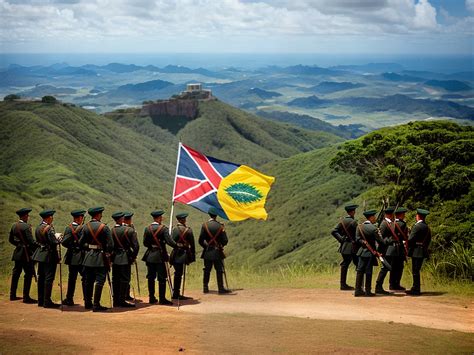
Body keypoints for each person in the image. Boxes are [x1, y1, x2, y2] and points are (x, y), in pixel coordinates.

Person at [79, 206, 114, 312]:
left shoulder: (85, 227)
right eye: (101, 214)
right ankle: (96, 304)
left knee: (88, 281)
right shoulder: (104, 227)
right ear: (98, 215)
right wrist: (107, 252)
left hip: (88, 257)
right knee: (99, 280)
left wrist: (89, 247)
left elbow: (81, 243)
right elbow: (111, 244)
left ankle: (87, 303)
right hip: (100, 257)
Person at [142, 210, 177, 305]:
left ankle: (151, 298)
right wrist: (177, 246)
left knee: (151, 277)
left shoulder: (147, 228)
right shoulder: (163, 229)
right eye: (161, 217)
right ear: (159, 218)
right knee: (162, 278)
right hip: (160, 256)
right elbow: (170, 242)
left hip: (149, 256)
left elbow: (145, 243)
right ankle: (162, 299)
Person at [32, 209, 61, 308]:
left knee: (41, 277)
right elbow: (53, 242)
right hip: (49, 256)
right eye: (51, 217)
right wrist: (58, 238)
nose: (52, 218)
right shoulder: (49, 228)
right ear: (49, 217)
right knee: (49, 278)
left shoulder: (38, 227)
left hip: (40, 255)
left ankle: (41, 300)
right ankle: (47, 301)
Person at [199, 207, 231, 294]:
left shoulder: (204, 225)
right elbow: (225, 240)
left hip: (208, 252)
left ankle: (205, 288)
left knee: (207, 270)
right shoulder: (220, 226)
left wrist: (206, 247)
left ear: (209, 214)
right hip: (217, 252)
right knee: (219, 270)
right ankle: (221, 288)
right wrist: (220, 246)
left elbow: (200, 241)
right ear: (216, 215)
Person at [8, 207, 37, 303]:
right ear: (24, 216)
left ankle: (12, 295)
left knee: (16, 274)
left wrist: (19, 245)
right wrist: (38, 246)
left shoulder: (14, 226)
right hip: (26, 254)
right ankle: (26, 297)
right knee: (28, 274)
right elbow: (31, 241)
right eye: (27, 215)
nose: (28, 217)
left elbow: (11, 240)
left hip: (17, 253)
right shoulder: (26, 226)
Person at [354, 209, 385, 297]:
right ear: (371, 217)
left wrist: (363, 243)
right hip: (370, 253)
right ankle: (368, 291)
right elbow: (381, 242)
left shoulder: (359, 227)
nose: (375, 218)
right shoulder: (373, 228)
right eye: (374, 216)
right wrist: (378, 251)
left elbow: (357, 239)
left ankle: (357, 290)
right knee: (368, 271)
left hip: (361, 252)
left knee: (359, 271)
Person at [61, 209, 86, 306]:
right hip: (82, 256)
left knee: (72, 279)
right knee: (85, 278)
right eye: (82, 217)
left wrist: (72, 246)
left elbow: (64, 242)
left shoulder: (69, 228)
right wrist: (77, 245)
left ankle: (69, 299)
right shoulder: (82, 228)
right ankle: (87, 299)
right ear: (79, 218)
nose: (82, 219)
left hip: (72, 257)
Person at [331, 204, 359, 290]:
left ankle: (343, 284)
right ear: (353, 212)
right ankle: (359, 285)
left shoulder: (342, 221)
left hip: (344, 247)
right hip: (353, 247)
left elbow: (334, 231)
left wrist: (341, 239)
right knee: (358, 265)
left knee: (345, 264)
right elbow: (357, 235)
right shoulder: (353, 222)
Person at [170, 212, 196, 300]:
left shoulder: (174, 229)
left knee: (177, 273)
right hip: (184, 254)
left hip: (175, 253)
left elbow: (171, 241)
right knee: (179, 274)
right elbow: (192, 244)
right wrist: (192, 256)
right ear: (183, 220)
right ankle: (176, 294)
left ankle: (175, 293)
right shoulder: (188, 230)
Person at [406, 209, 431, 296]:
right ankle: (415, 287)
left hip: (416, 250)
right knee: (417, 270)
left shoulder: (417, 226)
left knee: (415, 271)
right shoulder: (427, 227)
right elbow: (428, 240)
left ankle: (416, 289)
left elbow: (410, 239)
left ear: (418, 216)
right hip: (422, 250)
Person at [375, 206, 395, 295]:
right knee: (385, 268)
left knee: (386, 268)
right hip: (385, 249)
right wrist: (391, 240)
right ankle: (378, 287)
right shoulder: (384, 224)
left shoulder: (389, 223)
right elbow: (381, 239)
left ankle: (379, 286)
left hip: (389, 249)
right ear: (390, 214)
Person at [391, 207, 409, 291]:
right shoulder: (403, 224)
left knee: (393, 266)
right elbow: (405, 236)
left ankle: (391, 284)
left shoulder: (392, 224)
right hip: (400, 247)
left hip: (392, 248)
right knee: (399, 267)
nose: (404, 215)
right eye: (403, 214)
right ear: (401, 215)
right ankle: (396, 284)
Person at [123, 211, 138, 302]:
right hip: (127, 255)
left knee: (119, 276)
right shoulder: (130, 229)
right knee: (126, 276)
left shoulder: (116, 228)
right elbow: (135, 245)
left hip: (117, 256)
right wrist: (133, 256)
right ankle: (125, 295)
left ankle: (123, 295)